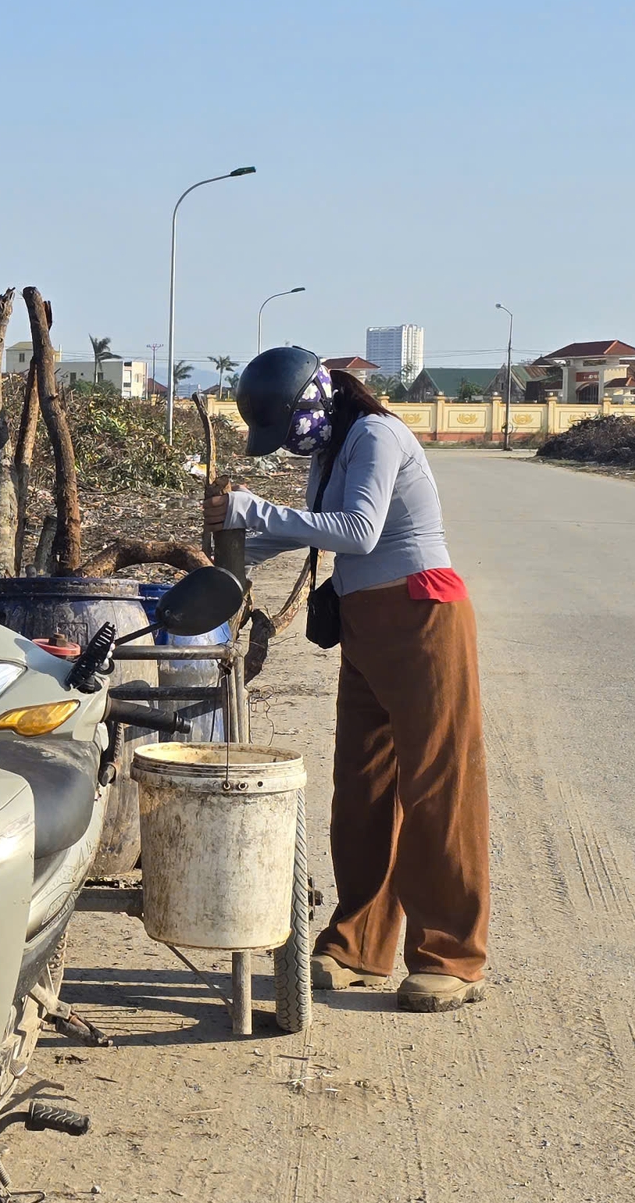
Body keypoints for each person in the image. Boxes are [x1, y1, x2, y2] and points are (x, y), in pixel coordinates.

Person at [206, 347, 489, 1013]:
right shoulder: (330, 453)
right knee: (362, 788)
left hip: (424, 615)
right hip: (365, 624)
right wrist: (224, 544)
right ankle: (359, 944)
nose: (288, 445)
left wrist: (257, 512)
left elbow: (358, 532)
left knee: (436, 788)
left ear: (314, 400)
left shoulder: (378, 434)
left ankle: (452, 955)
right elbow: (304, 536)